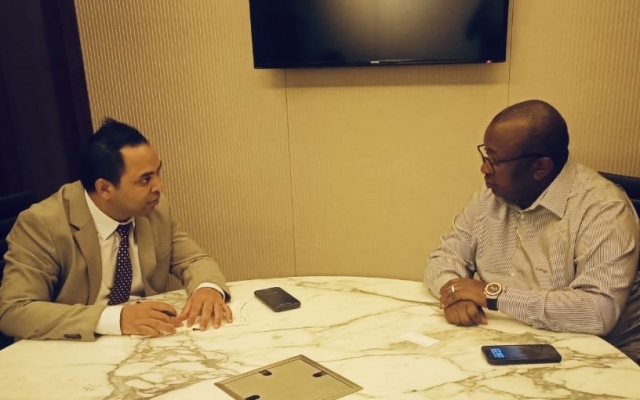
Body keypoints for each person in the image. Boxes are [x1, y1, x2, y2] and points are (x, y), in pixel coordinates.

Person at [424, 99, 640, 360]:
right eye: (485, 156)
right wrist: (456, 294)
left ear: (540, 168)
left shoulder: (604, 209)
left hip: (593, 357)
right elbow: (444, 257)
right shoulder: (490, 196)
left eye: (494, 161)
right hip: (498, 340)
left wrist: (491, 294)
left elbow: (598, 310)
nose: (484, 169)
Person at [0, 119, 232, 341]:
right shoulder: (43, 224)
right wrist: (115, 318)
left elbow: (194, 260)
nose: (158, 187)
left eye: (157, 172)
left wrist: (207, 289)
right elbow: (14, 310)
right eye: (145, 179)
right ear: (105, 189)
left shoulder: (155, 209)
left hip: (144, 342)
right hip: (75, 348)